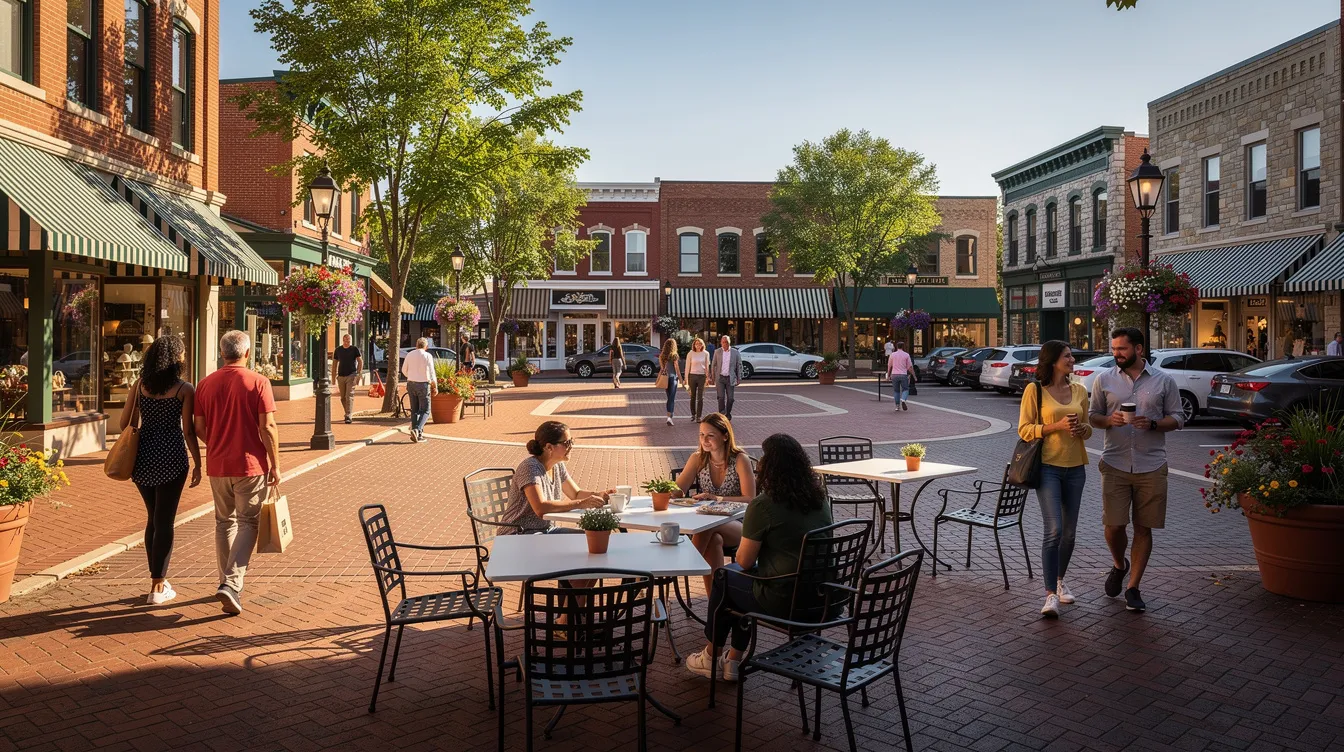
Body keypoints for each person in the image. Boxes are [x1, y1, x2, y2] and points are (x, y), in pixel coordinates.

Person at [685, 433, 833, 682]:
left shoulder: (764, 505)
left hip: (786, 601)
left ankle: (711, 656)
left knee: (726, 577)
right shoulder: (820, 500)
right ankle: (732, 661)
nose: (759, 463)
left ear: (771, 467)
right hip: (826, 598)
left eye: (764, 458)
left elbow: (743, 561)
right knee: (739, 582)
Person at [1087, 327, 1184, 614]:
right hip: (1115, 461)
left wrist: (1153, 423)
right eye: (1114, 349)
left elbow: (1178, 418)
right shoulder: (1103, 379)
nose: (1116, 354)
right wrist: (1109, 420)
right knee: (1114, 526)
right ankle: (1119, 564)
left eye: (1122, 349)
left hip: (1152, 464)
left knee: (1144, 528)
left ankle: (1133, 587)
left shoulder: (1164, 381)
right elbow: (1093, 416)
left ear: (1138, 349)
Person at [193, 331, 280, 616]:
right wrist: (275, 463)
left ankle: (225, 581)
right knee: (248, 523)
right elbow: (267, 427)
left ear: (223, 353)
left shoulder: (205, 385)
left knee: (224, 522)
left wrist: (218, 444)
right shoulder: (258, 382)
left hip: (218, 465)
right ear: (247, 354)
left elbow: (200, 428)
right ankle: (231, 584)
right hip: (249, 465)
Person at [121, 335, 201, 606]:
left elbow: (124, 423)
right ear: (176, 358)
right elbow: (188, 431)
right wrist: (199, 463)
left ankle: (156, 580)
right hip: (172, 456)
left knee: (152, 518)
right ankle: (158, 585)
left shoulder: (140, 385)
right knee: (165, 520)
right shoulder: (184, 389)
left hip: (142, 456)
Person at [1018, 340, 1092, 618]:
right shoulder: (1034, 390)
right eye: (1067, 356)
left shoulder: (1079, 390)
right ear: (1051, 361)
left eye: (1072, 355)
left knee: (1070, 533)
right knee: (1055, 530)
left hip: (1076, 468)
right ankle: (1050, 595)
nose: (1072, 359)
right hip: (1047, 467)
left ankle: (1061, 581)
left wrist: (1082, 428)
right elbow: (1024, 430)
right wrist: (1056, 426)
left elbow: (1088, 431)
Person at [674, 413, 756, 593]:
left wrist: (716, 498)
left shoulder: (740, 459)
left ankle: (687, 562)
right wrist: (661, 490)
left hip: (740, 525)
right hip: (710, 527)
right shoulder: (698, 458)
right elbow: (677, 490)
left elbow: (750, 499)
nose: (704, 440)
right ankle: (716, 605)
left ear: (725, 436)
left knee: (707, 525)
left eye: (710, 435)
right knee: (714, 540)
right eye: (701, 435)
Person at [501, 421, 611, 534]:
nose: (571, 446)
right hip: (518, 533)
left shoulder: (557, 465)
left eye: (572, 441)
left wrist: (601, 495)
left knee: (590, 536)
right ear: (549, 447)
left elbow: (575, 494)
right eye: (567, 442)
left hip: (545, 531)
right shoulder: (530, 467)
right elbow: (541, 508)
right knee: (587, 540)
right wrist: (581, 503)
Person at [400, 338, 436, 443]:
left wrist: (410, 376)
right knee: (426, 410)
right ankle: (417, 429)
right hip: (423, 384)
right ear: (426, 346)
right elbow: (432, 371)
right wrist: (435, 385)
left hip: (411, 383)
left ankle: (417, 433)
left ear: (416, 345)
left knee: (414, 409)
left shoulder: (409, 354)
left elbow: (403, 370)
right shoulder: (427, 356)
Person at [331, 334, 363, 424]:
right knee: (343, 397)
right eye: (345, 340)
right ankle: (347, 412)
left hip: (351, 375)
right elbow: (334, 364)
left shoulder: (354, 349)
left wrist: (358, 374)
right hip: (341, 376)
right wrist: (333, 378)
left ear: (351, 340)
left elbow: (360, 361)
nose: (347, 342)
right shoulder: (338, 350)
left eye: (348, 340)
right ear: (342, 340)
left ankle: (348, 415)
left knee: (349, 396)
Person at [708, 335, 741, 420]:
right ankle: (722, 415)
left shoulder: (735, 352)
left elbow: (739, 365)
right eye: (723, 342)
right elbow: (713, 365)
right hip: (720, 378)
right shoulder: (717, 352)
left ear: (730, 342)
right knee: (721, 397)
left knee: (731, 398)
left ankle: (728, 412)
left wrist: (739, 378)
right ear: (721, 343)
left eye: (726, 342)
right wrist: (713, 377)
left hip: (730, 378)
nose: (725, 343)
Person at [685, 337, 711, 422]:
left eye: (700, 344)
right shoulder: (690, 353)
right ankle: (693, 414)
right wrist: (686, 379)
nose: (698, 345)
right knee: (693, 396)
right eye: (696, 344)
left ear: (702, 345)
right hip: (692, 376)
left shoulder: (706, 353)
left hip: (702, 376)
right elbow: (687, 367)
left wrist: (707, 378)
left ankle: (699, 416)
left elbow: (707, 366)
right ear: (694, 345)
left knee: (700, 397)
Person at [658, 339, 682, 426]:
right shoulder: (674, 355)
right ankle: (670, 417)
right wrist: (682, 381)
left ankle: (669, 416)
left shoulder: (662, 356)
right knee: (672, 398)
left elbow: (662, 369)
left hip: (665, 378)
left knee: (669, 398)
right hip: (673, 378)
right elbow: (677, 370)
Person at [887, 340, 915, 411]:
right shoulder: (906, 355)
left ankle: (897, 406)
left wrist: (888, 375)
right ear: (903, 347)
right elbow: (909, 367)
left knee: (896, 391)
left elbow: (889, 366)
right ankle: (903, 400)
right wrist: (914, 376)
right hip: (903, 374)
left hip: (894, 374)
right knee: (905, 389)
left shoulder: (892, 355)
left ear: (896, 347)